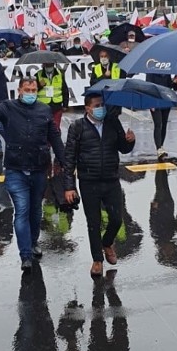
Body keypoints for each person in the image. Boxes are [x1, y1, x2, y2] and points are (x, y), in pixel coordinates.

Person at [0, 75, 65, 272]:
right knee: (22, 211)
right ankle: (25, 254)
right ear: (19, 90)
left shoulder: (44, 110)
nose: (30, 94)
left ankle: (34, 240)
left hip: (38, 169)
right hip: (16, 169)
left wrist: (64, 161)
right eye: (27, 90)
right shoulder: (7, 107)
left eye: (33, 90)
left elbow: (54, 137)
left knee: (36, 210)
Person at [63, 93, 135, 276]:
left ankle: (107, 242)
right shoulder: (77, 127)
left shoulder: (112, 122)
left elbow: (123, 148)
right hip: (89, 182)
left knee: (117, 219)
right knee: (93, 223)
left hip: (111, 179)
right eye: (96, 105)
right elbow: (69, 158)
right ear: (87, 108)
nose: (100, 108)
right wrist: (69, 186)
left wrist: (130, 141)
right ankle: (97, 260)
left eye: (102, 104)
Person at [145, 71, 174, 159]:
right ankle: (158, 148)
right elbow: (148, 87)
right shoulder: (150, 72)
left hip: (165, 100)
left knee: (164, 124)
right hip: (155, 100)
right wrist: (150, 102)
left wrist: (175, 82)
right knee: (158, 124)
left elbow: (170, 86)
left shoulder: (167, 72)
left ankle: (161, 146)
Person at [35, 62, 70, 131]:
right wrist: (39, 85)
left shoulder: (59, 74)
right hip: (43, 106)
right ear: (44, 64)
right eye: (47, 64)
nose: (49, 66)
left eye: (50, 64)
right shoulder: (38, 75)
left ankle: (55, 141)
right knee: (44, 128)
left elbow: (64, 90)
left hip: (56, 105)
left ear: (54, 64)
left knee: (55, 128)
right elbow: (33, 90)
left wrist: (65, 104)